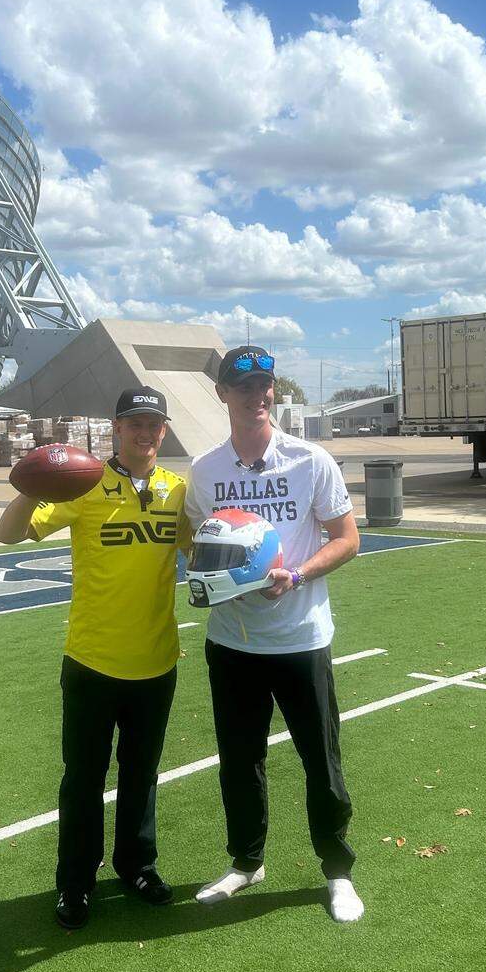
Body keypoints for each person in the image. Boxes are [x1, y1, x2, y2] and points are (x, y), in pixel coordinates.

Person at [0, 388, 191, 931]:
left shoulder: (178, 491)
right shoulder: (82, 485)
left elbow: (204, 550)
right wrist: (29, 486)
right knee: (82, 779)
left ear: (163, 430)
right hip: (91, 661)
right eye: (135, 423)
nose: (145, 433)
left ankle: (137, 867)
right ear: (116, 427)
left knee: (141, 774)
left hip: (156, 661)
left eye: (154, 424)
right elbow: (7, 535)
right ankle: (75, 883)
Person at [185, 346, 364, 923]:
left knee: (321, 760)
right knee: (240, 761)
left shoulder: (311, 461)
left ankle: (337, 870)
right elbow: (198, 541)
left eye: (265, 386)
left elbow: (348, 538)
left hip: (300, 638)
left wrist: (300, 575)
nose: (258, 396)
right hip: (233, 642)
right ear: (224, 395)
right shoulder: (207, 471)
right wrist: (217, 575)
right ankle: (246, 862)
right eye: (244, 387)